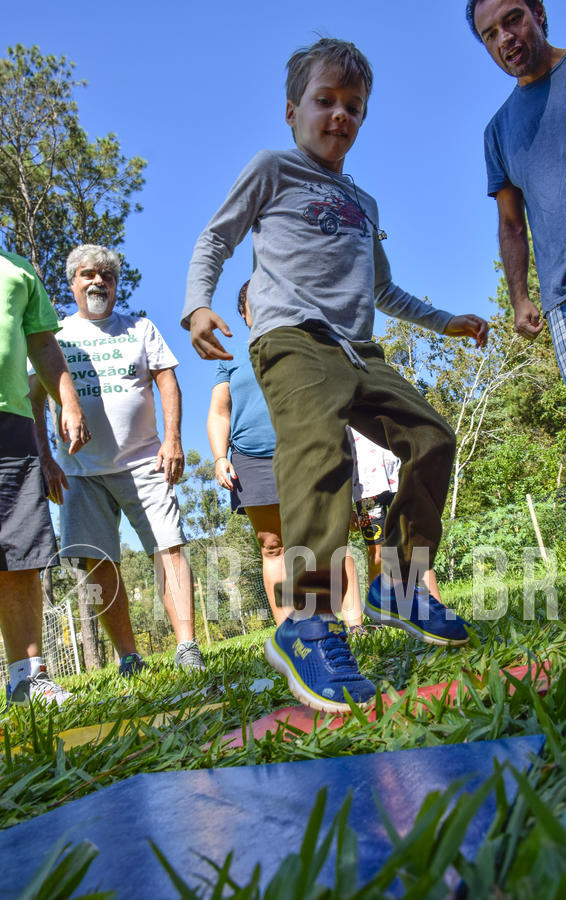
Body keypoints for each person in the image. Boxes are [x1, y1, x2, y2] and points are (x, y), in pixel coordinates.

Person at [182, 38, 488, 713]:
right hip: (291, 339)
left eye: (354, 107)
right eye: (326, 102)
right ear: (294, 110)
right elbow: (217, 238)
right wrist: (199, 304)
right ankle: (308, 622)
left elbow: (387, 291)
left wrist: (446, 321)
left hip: (358, 350)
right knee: (319, 455)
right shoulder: (273, 169)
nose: (340, 115)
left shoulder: (364, 203)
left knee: (432, 437)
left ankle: (400, 585)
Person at [30, 244, 205, 676]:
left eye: (106, 275)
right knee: (96, 563)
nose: (97, 281)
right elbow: (34, 400)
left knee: (169, 547)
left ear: (115, 284)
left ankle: (187, 647)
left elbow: (168, 382)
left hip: (146, 462)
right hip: (79, 472)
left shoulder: (140, 328)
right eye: (87, 274)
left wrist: (174, 440)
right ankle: (129, 657)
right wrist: (46, 460)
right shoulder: (56, 337)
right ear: (73, 283)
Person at [467, 0, 566, 426]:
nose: (504, 38)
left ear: (538, 13)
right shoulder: (498, 131)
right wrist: (520, 297)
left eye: (512, 19)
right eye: (490, 34)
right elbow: (510, 224)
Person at [208, 281, 363, 629]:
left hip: (309, 450)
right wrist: (220, 457)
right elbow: (220, 411)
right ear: (244, 313)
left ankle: (354, 624)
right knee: (273, 545)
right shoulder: (231, 358)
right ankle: (290, 632)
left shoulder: (308, 343)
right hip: (252, 459)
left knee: (330, 535)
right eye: (254, 303)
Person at [1, 248, 89, 706]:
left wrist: (68, 401)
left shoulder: (17, 268)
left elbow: (41, 342)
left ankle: (27, 679)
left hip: (10, 422)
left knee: (19, 551)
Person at [348, 426, 442, 606]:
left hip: (401, 479)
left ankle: (435, 606)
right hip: (364, 488)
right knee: (376, 552)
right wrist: (346, 505)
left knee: (415, 545)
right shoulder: (341, 406)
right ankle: (381, 612)